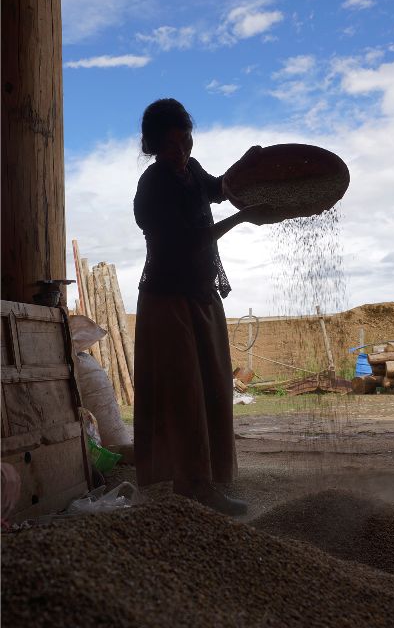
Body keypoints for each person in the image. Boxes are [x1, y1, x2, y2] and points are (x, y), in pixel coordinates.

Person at [133, 99, 269, 516]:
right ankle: (191, 486)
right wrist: (243, 219)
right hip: (167, 300)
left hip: (201, 294)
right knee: (184, 394)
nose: (181, 150)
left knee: (213, 387)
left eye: (186, 139)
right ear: (153, 146)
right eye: (170, 145)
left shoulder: (190, 170)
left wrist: (243, 169)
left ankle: (207, 479)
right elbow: (188, 241)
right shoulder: (153, 186)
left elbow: (216, 189)